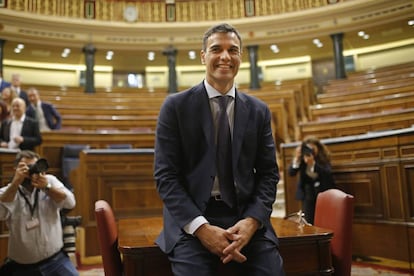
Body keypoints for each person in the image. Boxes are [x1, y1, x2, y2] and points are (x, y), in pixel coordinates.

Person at [154, 23, 285, 276]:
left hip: (245, 216)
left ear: (240, 57)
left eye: (233, 50)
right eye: (216, 49)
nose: (225, 56)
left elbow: (269, 174)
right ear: (203, 56)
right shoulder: (175, 107)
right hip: (192, 219)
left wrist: (251, 221)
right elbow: (166, 177)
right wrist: (201, 228)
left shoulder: (259, 111)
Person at [0, 150, 78, 276]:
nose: (31, 172)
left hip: (56, 261)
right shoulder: (8, 192)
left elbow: (70, 203)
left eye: (34, 166)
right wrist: (15, 183)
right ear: (16, 169)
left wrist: (47, 188)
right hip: (22, 267)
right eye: (26, 167)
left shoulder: (49, 181)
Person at [288, 135, 335, 224]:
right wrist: (297, 159)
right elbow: (291, 173)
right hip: (307, 194)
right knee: (308, 220)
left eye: (312, 149)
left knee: (323, 220)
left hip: (322, 192)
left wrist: (313, 164)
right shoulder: (302, 158)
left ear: (318, 148)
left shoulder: (323, 157)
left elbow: (327, 173)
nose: (310, 151)